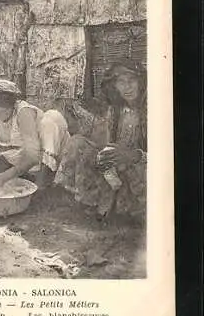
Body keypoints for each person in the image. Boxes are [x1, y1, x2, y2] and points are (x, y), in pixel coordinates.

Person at [54, 59, 147, 220]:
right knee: (78, 143)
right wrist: (105, 153)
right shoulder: (116, 110)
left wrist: (133, 155)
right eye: (121, 82)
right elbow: (105, 142)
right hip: (117, 166)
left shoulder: (152, 109)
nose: (127, 87)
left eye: (132, 81)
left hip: (142, 167)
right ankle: (91, 202)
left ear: (141, 82)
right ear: (115, 86)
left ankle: (124, 208)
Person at [0, 79, 70, 195]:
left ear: (12, 105)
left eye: (3, 112)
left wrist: (3, 177)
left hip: (44, 153)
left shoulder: (24, 113)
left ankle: (41, 188)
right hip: (19, 154)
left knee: (51, 122)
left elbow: (32, 156)